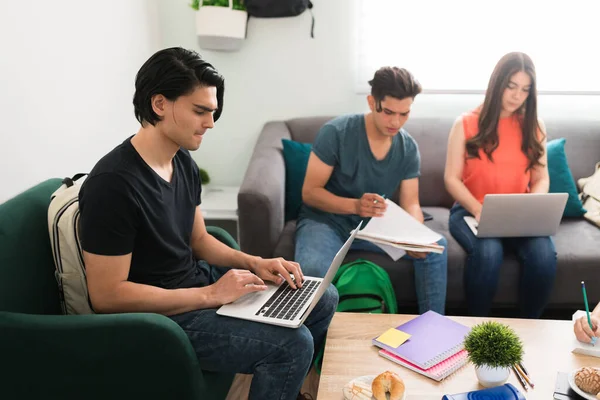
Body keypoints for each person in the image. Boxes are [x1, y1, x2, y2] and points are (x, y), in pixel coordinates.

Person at [78, 47, 336, 400]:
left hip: (198, 287)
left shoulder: (181, 161)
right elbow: (107, 296)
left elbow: (198, 239)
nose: (211, 123)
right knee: (291, 344)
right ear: (159, 104)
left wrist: (256, 263)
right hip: (163, 318)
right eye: (200, 111)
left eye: (212, 112)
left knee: (321, 296)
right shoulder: (113, 184)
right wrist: (210, 295)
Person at [295, 66, 448, 315]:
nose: (396, 122)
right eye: (388, 112)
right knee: (312, 272)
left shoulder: (408, 147)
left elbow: (411, 203)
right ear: (371, 101)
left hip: (375, 227)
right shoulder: (336, 133)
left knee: (434, 248)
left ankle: (433, 331)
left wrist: (416, 236)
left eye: (404, 114)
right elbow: (310, 192)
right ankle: (314, 349)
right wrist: (355, 206)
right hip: (326, 222)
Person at [444, 52, 557, 318]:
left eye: (525, 89)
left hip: (520, 214)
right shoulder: (466, 123)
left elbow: (541, 178)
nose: (517, 96)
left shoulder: (534, 126)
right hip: (471, 211)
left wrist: (534, 204)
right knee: (488, 253)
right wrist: (477, 208)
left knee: (544, 256)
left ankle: (531, 330)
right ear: (497, 83)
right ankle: (479, 330)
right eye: (511, 86)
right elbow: (451, 178)